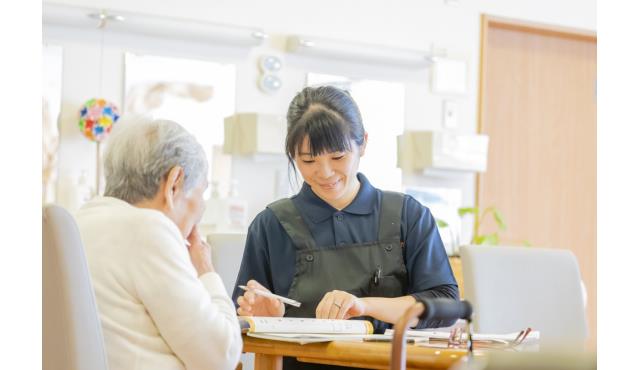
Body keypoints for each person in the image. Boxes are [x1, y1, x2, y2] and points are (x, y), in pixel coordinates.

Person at [233, 86, 459, 369]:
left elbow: (445, 305)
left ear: (362, 143)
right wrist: (265, 320)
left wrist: (365, 306)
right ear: (293, 155)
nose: (325, 172)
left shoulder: (407, 215)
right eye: (308, 160)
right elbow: (238, 326)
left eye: (338, 157)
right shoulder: (271, 225)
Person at [75, 117, 242, 370]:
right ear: (174, 183)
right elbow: (222, 356)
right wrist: (206, 271)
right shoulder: (148, 230)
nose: (201, 209)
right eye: (200, 192)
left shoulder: (80, 221)